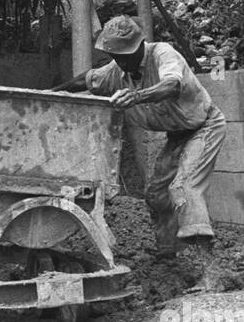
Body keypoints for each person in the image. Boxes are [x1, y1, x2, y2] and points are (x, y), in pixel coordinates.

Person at [86, 14, 226, 263]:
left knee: (183, 187)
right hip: (177, 135)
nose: (121, 62)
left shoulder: (162, 53)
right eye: (116, 57)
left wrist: (137, 96)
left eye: (125, 56)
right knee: (157, 194)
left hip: (205, 127)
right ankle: (168, 254)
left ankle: (209, 267)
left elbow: (171, 85)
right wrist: (47, 93)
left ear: (139, 46)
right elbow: (89, 80)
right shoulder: (118, 69)